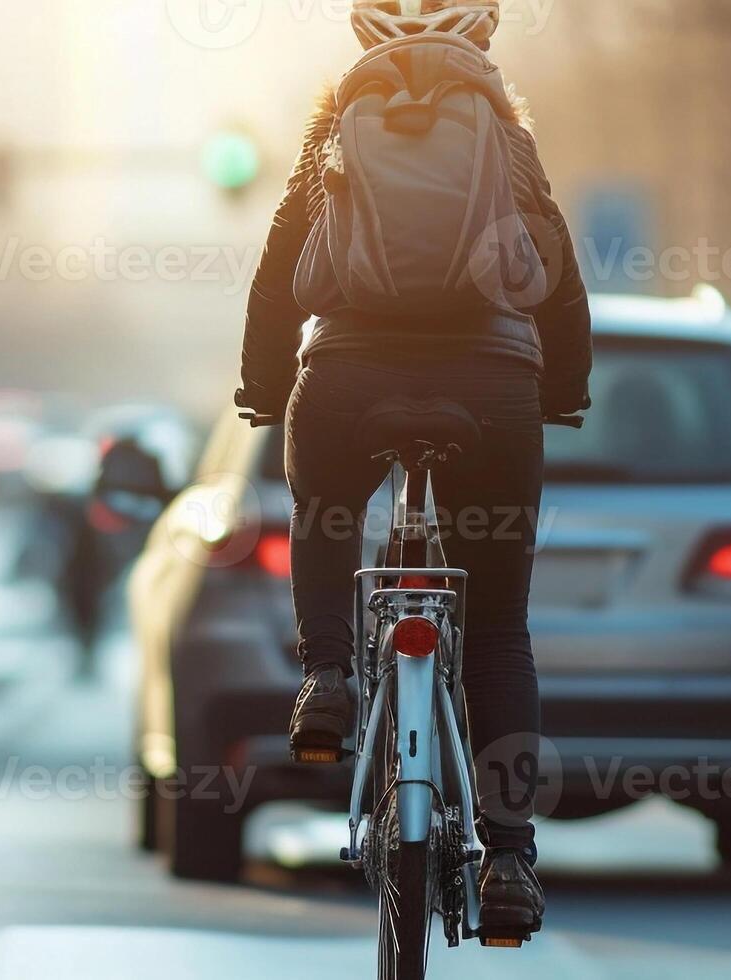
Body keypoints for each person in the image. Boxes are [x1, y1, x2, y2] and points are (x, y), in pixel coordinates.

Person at [233, 0, 591, 937]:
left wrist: (263, 388)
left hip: (348, 376)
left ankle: (327, 681)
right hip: (491, 387)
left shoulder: (336, 125)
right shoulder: (504, 131)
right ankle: (510, 857)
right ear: (482, 38)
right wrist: (566, 390)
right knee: (502, 630)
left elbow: (278, 268)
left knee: (324, 512)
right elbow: (556, 266)